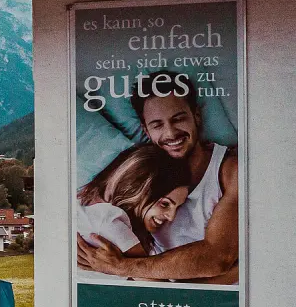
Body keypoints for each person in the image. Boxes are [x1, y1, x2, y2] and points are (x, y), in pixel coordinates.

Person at [77, 70, 239, 284]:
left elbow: (218, 257)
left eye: (179, 119)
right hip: (159, 300)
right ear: (146, 129)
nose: (171, 133)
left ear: (196, 116)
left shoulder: (230, 171)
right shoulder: (138, 172)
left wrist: (121, 267)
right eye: (157, 125)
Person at [76, 144, 191, 280]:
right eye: (165, 204)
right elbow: (159, 289)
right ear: (136, 189)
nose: (171, 217)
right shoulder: (109, 222)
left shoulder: (82, 203)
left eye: (177, 207)